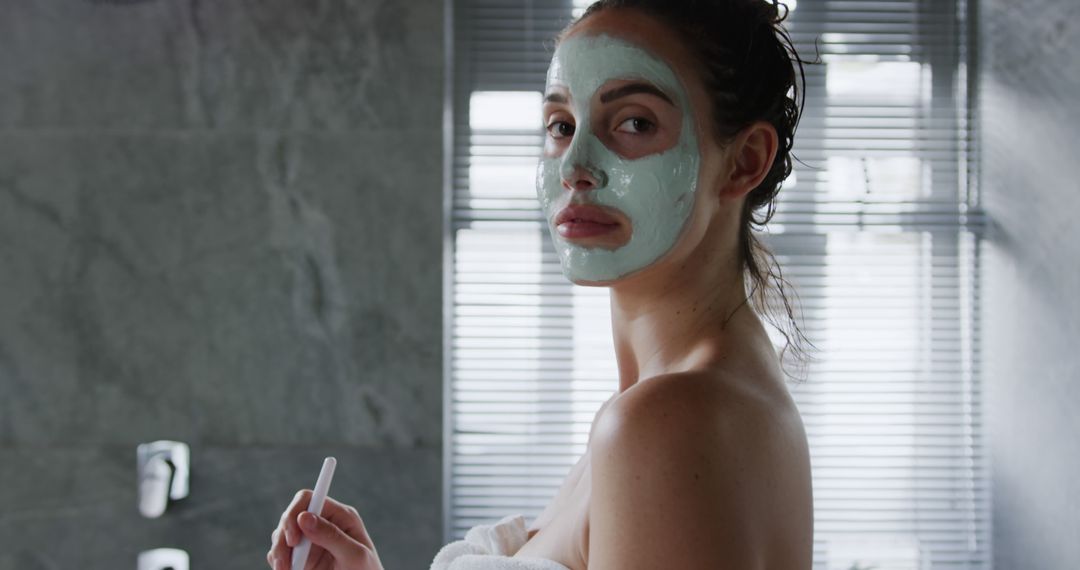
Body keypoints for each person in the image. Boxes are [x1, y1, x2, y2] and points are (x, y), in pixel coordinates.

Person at [267, 1, 814, 568]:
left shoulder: (668, 422)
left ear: (744, 161)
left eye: (634, 122)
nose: (574, 166)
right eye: (561, 125)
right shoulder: (684, 400)